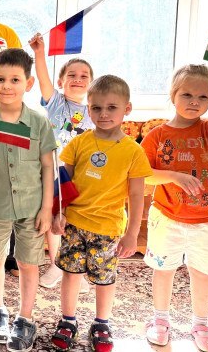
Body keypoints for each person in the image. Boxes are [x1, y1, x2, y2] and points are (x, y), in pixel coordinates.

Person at [142, 65, 208, 351]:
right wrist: (174, 176)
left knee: (201, 273)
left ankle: (201, 324)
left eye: (203, 97)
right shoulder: (156, 135)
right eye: (187, 94)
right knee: (163, 270)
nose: (194, 102)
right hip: (167, 217)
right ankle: (160, 320)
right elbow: (143, 174)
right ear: (173, 95)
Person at [50, 75, 153, 352]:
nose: (103, 114)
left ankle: (101, 323)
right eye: (96, 108)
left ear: (126, 109)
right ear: (88, 108)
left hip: (108, 228)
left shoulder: (133, 151)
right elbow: (64, 183)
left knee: (104, 278)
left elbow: (136, 195)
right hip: (74, 223)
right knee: (70, 273)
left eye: (111, 108)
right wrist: (58, 213)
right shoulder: (79, 142)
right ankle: (68, 320)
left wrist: (132, 234)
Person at [0, 48, 56, 352]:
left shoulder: (39, 123)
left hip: (32, 206)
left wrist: (47, 208)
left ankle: (25, 318)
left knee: (28, 262)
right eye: (0, 79)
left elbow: (47, 167)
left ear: (28, 83)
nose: (7, 85)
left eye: (15, 79)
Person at [30, 33, 94, 293]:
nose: (78, 79)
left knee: (76, 219)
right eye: (72, 75)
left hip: (81, 173)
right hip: (54, 171)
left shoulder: (94, 111)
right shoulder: (56, 102)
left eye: (84, 76)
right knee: (55, 216)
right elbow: (43, 79)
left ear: (91, 83)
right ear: (61, 81)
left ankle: (76, 267)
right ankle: (56, 263)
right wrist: (39, 52)